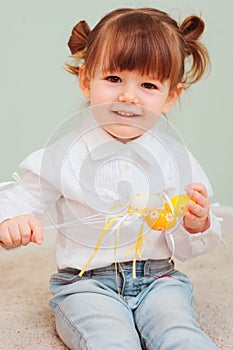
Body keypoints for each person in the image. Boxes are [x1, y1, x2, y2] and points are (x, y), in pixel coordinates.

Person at [0, 7, 221, 350]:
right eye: (114, 79)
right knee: (110, 340)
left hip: (158, 279)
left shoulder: (176, 159)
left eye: (148, 85)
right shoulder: (65, 154)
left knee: (181, 334)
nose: (129, 96)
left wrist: (198, 223)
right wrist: (11, 219)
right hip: (87, 284)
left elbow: (197, 241)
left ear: (170, 96)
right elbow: (18, 197)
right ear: (86, 80)